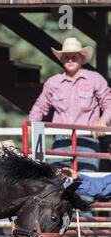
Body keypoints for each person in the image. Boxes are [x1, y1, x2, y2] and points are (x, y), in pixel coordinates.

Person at [29, 37, 111, 172]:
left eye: (74, 56)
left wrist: (103, 121)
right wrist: (32, 122)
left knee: (85, 184)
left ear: (82, 58)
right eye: (66, 57)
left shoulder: (95, 79)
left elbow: (109, 103)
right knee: (58, 185)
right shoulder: (53, 83)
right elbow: (40, 106)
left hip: (87, 140)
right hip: (61, 141)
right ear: (61, 59)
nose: (70, 60)